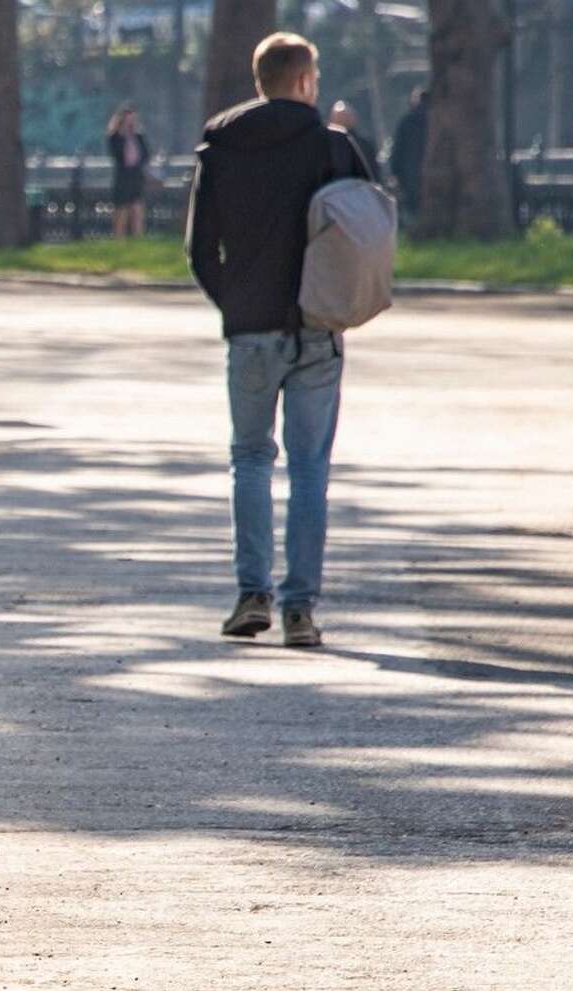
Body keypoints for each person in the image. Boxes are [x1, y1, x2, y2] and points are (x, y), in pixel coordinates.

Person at [186, 32, 370, 649]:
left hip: (250, 329)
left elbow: (198, 249)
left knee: (250, 460)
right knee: (311, 468)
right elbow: (368, 227)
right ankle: (299, 609)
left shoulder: (221, 147)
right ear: (303, 81)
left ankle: (251, 594)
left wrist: (234, 301)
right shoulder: (332, 147)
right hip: (317, 327)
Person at [106, 103, 152, 237]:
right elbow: (117, 155)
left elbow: (146, 154)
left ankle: (139, 237)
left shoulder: (138, 137)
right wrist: (124, 135)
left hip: (136, 176)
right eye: (127, 120)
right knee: (122, 210)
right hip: (122, 177)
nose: (130, 123)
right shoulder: (115, 137)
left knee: (137, 209)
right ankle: (119, 238)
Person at [389, 87, 428, 217]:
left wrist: (395, 172)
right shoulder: (438, 119)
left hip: (411, 173)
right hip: (435, 171)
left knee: (414, 208)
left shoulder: (407, 121)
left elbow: (398, 149)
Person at [328, 100, 382, 183]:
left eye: (345, 117)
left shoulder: (364, 145)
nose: (342, 121)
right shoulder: (326, 147)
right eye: (340, 118)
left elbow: (373, 170)